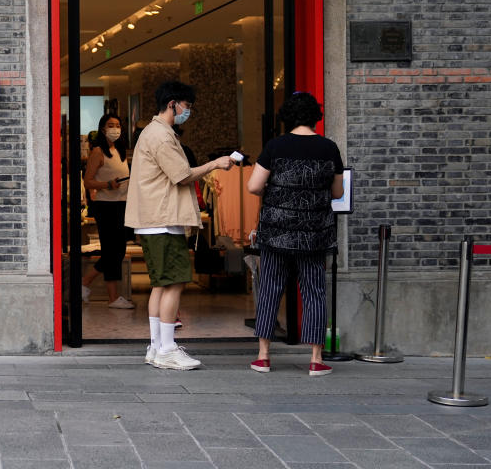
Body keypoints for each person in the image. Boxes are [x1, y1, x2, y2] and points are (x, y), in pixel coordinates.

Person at [125, 81, 234, 370]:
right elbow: (182, 175)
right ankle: (167, 349)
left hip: (155, 220)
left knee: (160, 285)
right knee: (174, 283)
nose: (189, 111)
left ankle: (157, 347)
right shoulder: (161, 136)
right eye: (187, 106)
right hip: (163, 219)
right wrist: (215, 164)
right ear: (173, 103)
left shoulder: (152, 132)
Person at [246, 92, 344, 377]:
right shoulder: (329, 148)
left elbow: (253, 186)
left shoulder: (275, 146)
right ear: (316, 116)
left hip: (276, 233)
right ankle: (315, 359)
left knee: (270, 290)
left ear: (286, 117)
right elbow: (337, 193)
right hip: (313, 235)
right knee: (314, 292)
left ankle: (263, 356)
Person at [82, 114, 134, 309]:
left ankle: (86, 283)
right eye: (111, 125)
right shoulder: (97, 152)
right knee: (112, 251)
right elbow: (88, 181)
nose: (115, 129)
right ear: (103, 129)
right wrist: (107, 185)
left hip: (123, 204)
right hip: (106, 206)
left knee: (117, 251)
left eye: (118, 125)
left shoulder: (120, 151)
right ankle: (111, 297)